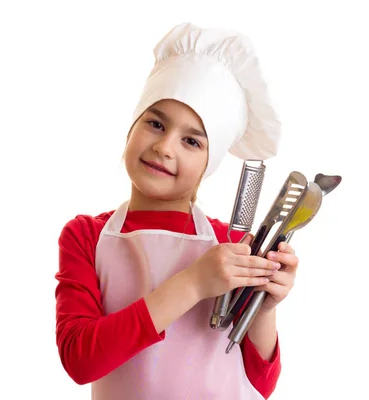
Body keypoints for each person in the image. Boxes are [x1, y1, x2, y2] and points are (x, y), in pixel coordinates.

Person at [55, 22, 299, 400]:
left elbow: (260, 383)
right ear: (132, 127)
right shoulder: (86, 236)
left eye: (191, 141)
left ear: (209, 163)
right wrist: (194, 283)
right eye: (155, 124)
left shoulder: (230, 243)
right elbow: (81, 360)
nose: (165, 147)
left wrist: (263, 308)